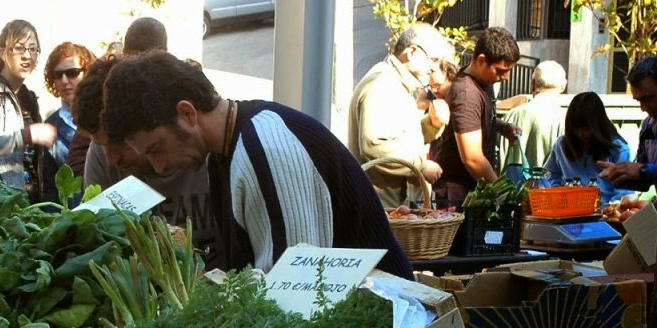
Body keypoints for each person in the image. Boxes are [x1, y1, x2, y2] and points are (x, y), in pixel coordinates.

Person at [101, 51, 413, 279]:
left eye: (156, 148)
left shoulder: (264, 147)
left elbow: (293, 292)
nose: (157, 166)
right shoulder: (223, 156)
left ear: (187, 113)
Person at [76, 55, 219, 266]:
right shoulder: (100, 158)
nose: (111, 159)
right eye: (101, 145)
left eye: (118, 144)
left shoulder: (205, 149)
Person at [348, 23, 453, 207]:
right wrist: (420, 166)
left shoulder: (396, 82)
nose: (433, 68)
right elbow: (375, 146)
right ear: (411, 52)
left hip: (393, 211)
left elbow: (400, 138)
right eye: (433, 59)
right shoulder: (382, 84)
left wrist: (432, 124)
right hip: (383, 212)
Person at [433, 27, 522, 202]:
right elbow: (472, 158)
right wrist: (502, 194)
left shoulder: (484, 80)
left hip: (473, 188)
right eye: (501, 70)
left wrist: (502, 127)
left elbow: (478, 119)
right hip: (458, 193)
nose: (506, 77)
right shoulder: (466, 94)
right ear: (481, 60)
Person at [0, 20, 57, 199]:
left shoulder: (30, 98)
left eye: (33, 49)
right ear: (2, 52)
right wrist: (24, 136)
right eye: (20, 48)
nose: (27, 56)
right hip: (1, 203)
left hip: (31, 203)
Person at [543, 92, 633, 203]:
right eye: (576, 129)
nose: (581, 134)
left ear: (597, 125)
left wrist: (610, 208)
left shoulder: (618, 149)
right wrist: (558, 191)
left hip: (604, 212)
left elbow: (623, 192)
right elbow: (549, 174)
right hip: (569, 211)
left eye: (586, 129)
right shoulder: (562, 144)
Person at [598, 56, 657, 190]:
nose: (643, 108)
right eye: (639, 101)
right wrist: (620, 174)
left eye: (648, 98)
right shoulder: (648, 126)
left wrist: (643, 170)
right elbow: (644, 181)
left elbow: (645, 170)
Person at [501, 60, 567, 169]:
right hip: (551, 185)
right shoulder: (566, 119)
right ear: (563, 86)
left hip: (510, 185)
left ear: (532, 84)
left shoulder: (510, 116)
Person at [42, 42, 95, 177]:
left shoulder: (105, 114)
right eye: (58, 75)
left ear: (87, 72)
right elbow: (50, 187)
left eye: (72, 73)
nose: (64, 81)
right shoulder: (49, 126)